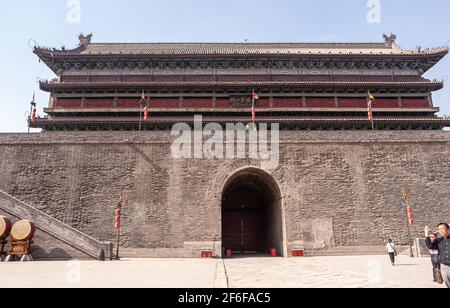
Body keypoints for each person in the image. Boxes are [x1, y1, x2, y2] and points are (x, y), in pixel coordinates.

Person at [425, 223, 450, 288]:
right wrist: (426, 235)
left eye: (443, 228)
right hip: (444, 266)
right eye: (439, 229)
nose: (441, 230)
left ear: (448, 229)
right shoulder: (438, 240)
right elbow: (430, 246)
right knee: (448, 283)